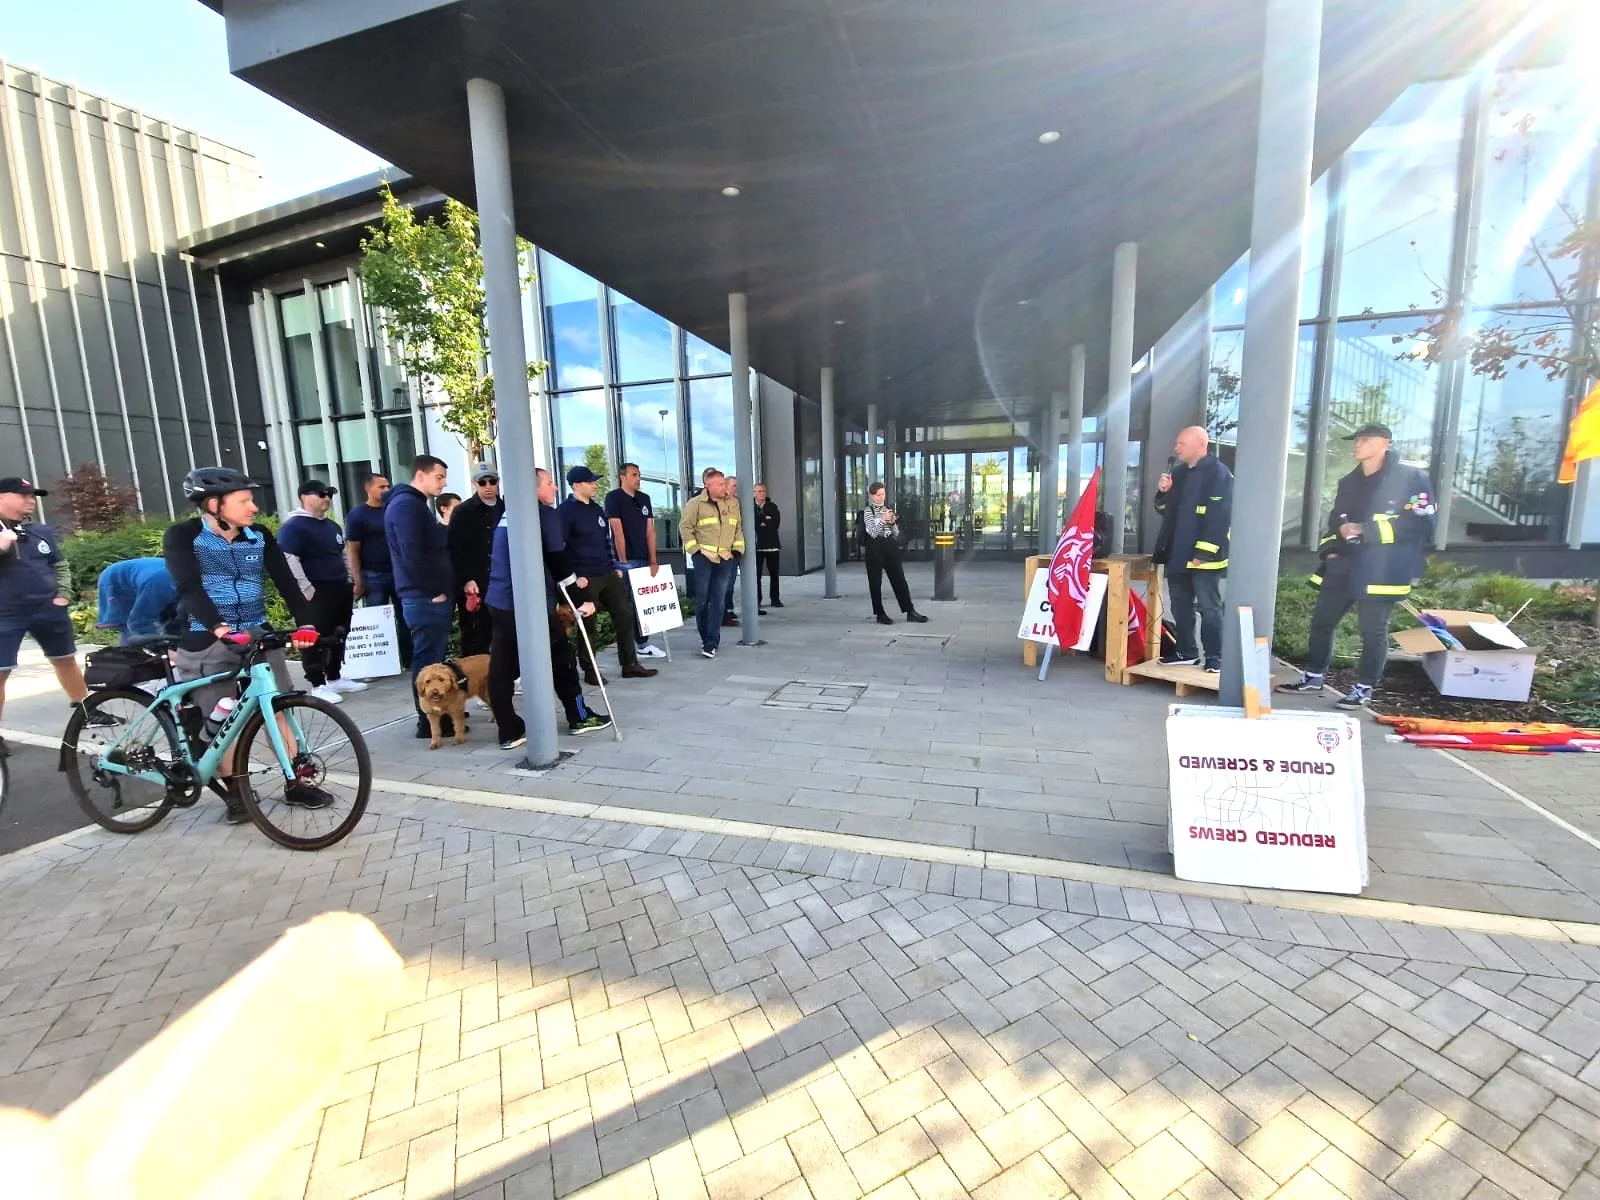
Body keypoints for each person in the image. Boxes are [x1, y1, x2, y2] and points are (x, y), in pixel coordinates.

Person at [163, 467, 323, 822]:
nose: (254, 507)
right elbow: (189, 589)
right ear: (214, 504)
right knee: (222, 718)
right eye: (245, 500)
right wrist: (218, 628)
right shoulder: (184, 536)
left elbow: (286, 581)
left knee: (277, 707)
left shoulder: (260, 536)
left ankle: (297, 781)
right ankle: (237, 791)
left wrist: (307, 623)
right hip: (206, 637)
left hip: (254, 632)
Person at [1279, 423, 1437, 708]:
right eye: (1356, 440)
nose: (1357, 445)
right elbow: (1335, 524)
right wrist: (1330, 552)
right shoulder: (1348, 482)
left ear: (1385, 443)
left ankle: (1364, 688)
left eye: (1365, 440)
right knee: (1322, 622)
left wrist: (1366, 529)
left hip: (1382, 571)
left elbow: (1421, 522)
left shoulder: (1411, 478)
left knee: (1373, 630)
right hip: (1344, 567)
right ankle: (1313, 677)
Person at [487, 469, 612, 746]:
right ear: (534, 488)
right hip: (530, 604)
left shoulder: (510, 514)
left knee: (502, 665)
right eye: (549, 483)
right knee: (561, 658)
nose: (555, 488)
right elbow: (558, 561)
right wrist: (580, 602)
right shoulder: (542, 514)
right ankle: (578, 716)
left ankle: (508, 730)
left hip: (501, 600)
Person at [0, 476, 108, 746]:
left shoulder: (39, 532)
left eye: (32, 496)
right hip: (5, 614)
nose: (30, 501)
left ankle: (85, 709)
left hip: (47, 609)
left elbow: (59, 565)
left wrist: (63, 595)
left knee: (65, 659)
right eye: (23, 496)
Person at [557, 465, 658, 682]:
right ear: (576, 485)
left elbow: (606, 541)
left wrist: (615, 567)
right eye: (590, 481)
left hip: (607, 573)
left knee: (625, 613)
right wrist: (574, 576)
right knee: (590, 625)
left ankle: (629, 663)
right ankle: (590, 670)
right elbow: (560, 547)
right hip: (585, 578)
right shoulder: (565, 512)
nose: (595, 485)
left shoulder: (596, 509)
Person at [386, 455, 456, 738]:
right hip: (424, 597)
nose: (444, 482)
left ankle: (433, 717)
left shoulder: (413, 504)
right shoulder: (407, 506)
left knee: (430, 657)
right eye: (439, 476)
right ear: (420, 474)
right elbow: (411, 554)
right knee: (427, 661)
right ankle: (428, 721)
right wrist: (433, 591)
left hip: (425, 595)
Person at [278, 479, 365, 705]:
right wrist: (307, 590)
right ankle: (317, 684)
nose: (326, 498)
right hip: (316, 592)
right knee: (313, 637)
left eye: (329, 494)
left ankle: (334, 676)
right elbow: (289, 560)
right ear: (304, 497)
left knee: (339, 633)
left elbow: (342, 553)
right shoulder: (294, 527)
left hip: (339, 588)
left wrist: (350, 579)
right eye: (321, 494)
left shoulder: (331, 526)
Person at [1152, 426, 1232, 672]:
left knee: (1209, 608)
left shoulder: (1219, 474)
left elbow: (1220, 516)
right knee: (1180, 605)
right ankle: (1186, 651)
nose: (1176, 448)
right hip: (1178, 553)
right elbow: (1166, 513)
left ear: (1200, 443)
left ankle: (1214, 657)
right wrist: (1162, 494)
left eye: (1181, 443)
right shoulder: (1178, 474)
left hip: (1204, 559)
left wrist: (1203, 553)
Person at [344, 472, 411, 669]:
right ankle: (381, 664)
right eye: (381, 487)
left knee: (405, 617)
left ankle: (408, 659)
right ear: (368, 489)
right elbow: (353, 550)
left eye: (388, 486)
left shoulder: (393, 509)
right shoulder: (358, 515)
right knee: (377, 619)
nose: (386, 490)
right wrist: (358, 580)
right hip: (373, 574)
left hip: (399, 572)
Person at [604, 462, 667, 660]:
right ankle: (629, 646)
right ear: (623, 476)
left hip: (643, 559)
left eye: (639, 474)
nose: (638, 478)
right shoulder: (613, 498)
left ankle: (643, 644)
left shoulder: (644, 499)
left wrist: (653, 560)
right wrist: (623, 561)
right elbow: (617, 530)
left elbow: (650, 530)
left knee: (644, 603)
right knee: (627, 604)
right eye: (634, 475)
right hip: (627, 560)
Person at [679, 468, 742, 658]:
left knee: (718, 601)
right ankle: (705, 638)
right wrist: (696, 551)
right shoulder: (695, 504)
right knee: (702, 601)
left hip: (725, 560)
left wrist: (737, 550)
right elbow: (685, 528)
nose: (724, 487)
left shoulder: (732, 503)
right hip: (704, 560)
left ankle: (712, 642)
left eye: (725, 483)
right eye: (720, 484)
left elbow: (737, 527)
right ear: (708, 485)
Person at [448, 465, 503, 658]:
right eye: (482, 482)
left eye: (492, 481)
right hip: (477, 583)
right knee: (475, 633)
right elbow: (455, 549)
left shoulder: (506, 508)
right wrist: (467, 579)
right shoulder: (463, 511)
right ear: (474, 483)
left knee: (504, 632)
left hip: (503, 581)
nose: (488, 486)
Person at [862, 482, 927, 625]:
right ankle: (880, 613)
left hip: (889, 545)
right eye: (878, 495)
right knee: (875, 582)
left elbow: (896, 534)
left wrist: (892, 522)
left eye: (883, 494)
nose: (881, 497)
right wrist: (882, 519)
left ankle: (910, 611)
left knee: (899, 579)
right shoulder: (868, 511)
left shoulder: (887, 509)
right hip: (874, 547)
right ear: (872, 496)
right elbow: (873, 532)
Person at [95, 557, 182, 645]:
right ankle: (131, 655)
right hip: (118, 580)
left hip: (151, 578)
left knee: (172, 622)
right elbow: (140, 621)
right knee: (134, 629)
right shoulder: (163, 586)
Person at [752, 482, 782, 608]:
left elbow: (775, 524)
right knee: (756, 575)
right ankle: (757, 600)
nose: (761, 493)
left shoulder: (772, 506)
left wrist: (764, 523)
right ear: (754, 493)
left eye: (763, 491)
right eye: (758, 491)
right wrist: (764, 521)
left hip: (772, 545)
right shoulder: (750, 507)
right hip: (757, 547)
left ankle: (775, 599)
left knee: (774, 574)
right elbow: (753, 524)